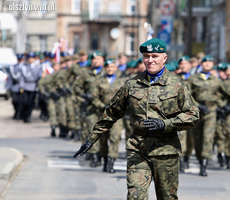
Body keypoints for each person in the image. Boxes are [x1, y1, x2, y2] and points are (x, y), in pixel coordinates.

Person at [75, 38, 199, 200]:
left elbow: (193, 114)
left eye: (155, 56)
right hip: (138, 150)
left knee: (167, 197)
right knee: (135, 196)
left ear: (164, 58)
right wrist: (92, 138)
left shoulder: (177, 85)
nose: (150, 60)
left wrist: (165, 124)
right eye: (147, 56)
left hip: (165, 152)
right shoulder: (132, 84)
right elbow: (112, 112)